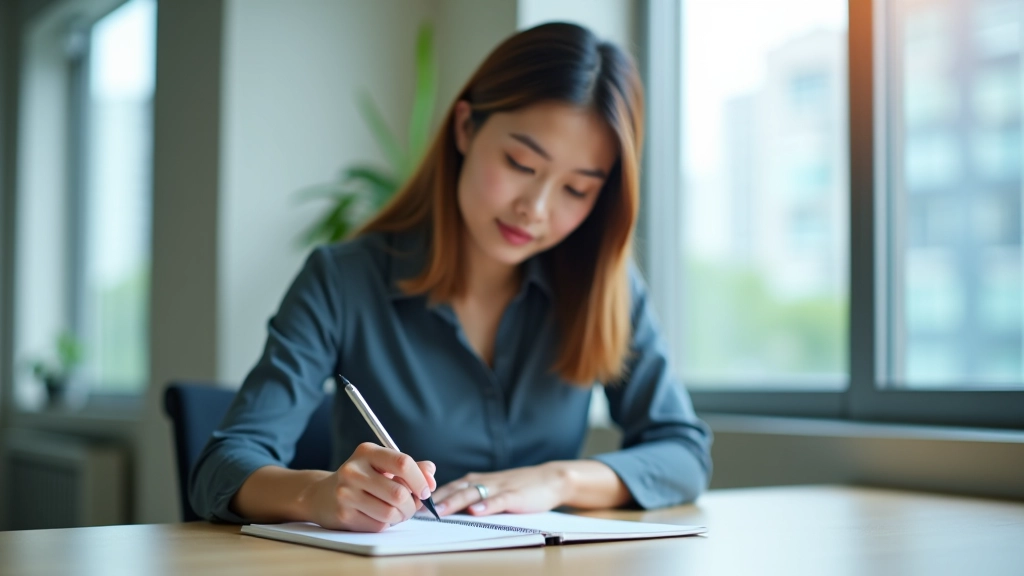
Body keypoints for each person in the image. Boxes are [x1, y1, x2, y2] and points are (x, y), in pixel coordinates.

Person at [190, 22, 712, 532]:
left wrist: (557, 480)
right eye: (519, 162)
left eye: (576, 190)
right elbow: (222, 465)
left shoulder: (606, 288)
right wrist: (317, 493)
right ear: (465, 127)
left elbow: (684, 453)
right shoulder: (343, 280)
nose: (535, 208)